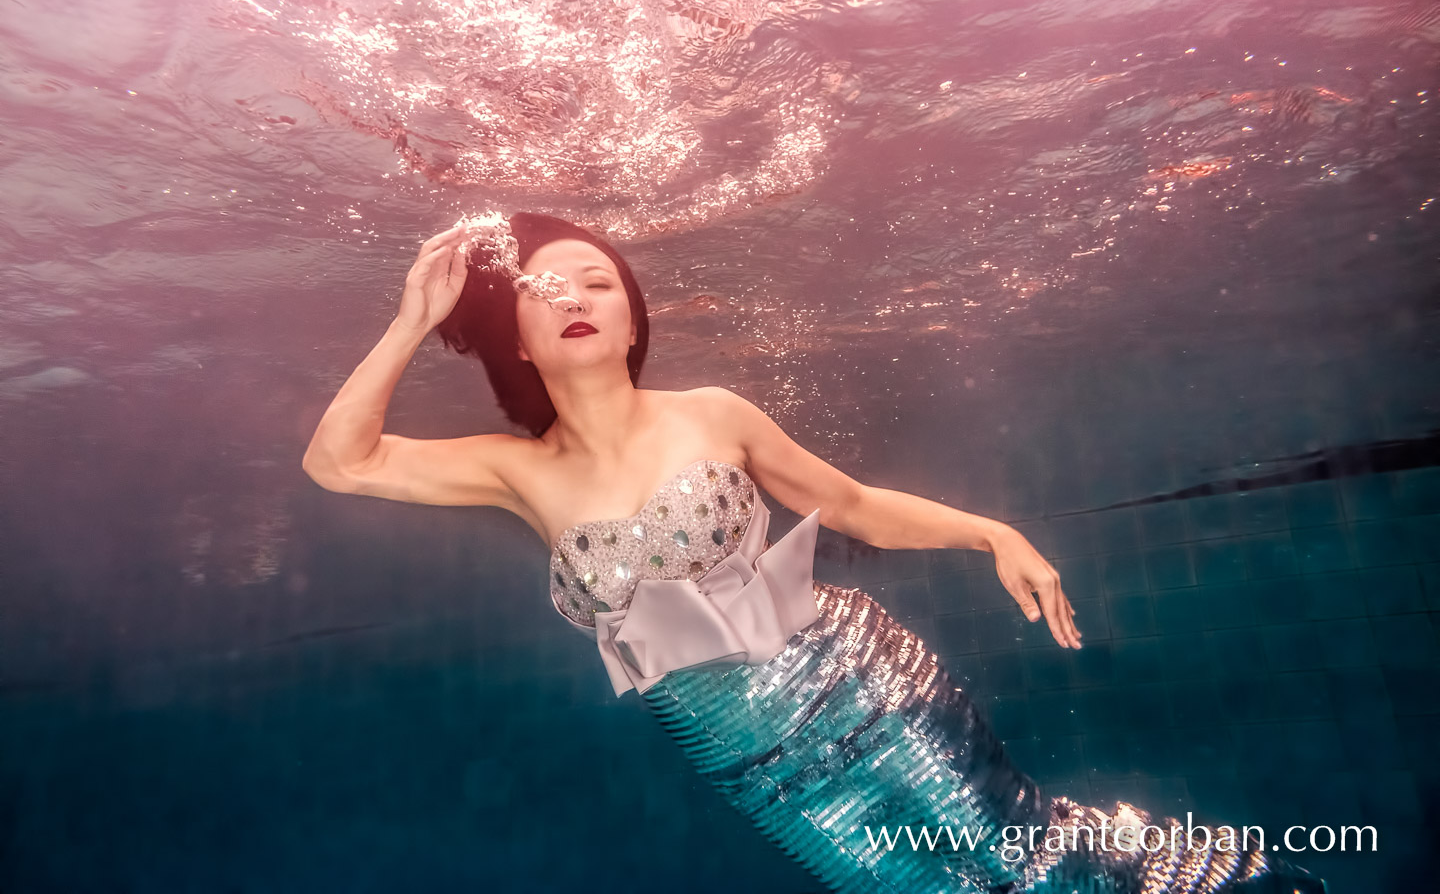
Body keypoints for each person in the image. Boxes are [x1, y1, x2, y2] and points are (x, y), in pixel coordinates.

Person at [301, 213, 1326, 893]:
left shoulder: (712, 413)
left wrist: (992, 532)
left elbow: (856, 507)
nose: (576, 296)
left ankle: (1228, 878)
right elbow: (339, 464)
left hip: (856, 682)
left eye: (599, 283)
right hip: (747, 760)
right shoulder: (512, 471)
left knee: (1030, 858)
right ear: (518, 337)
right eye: (547, 288)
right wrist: (409, 321)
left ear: (630, 318)